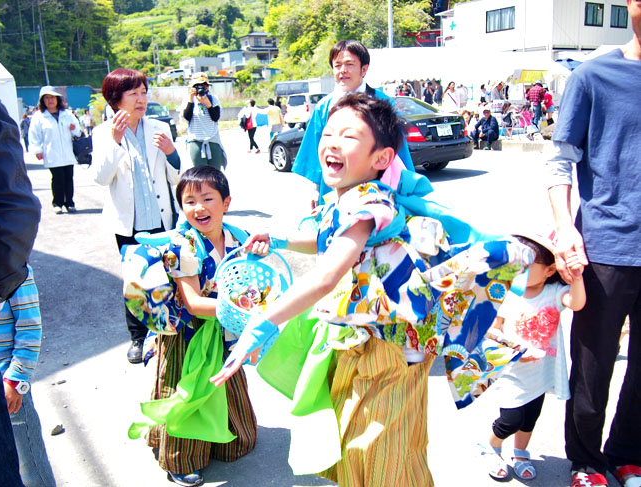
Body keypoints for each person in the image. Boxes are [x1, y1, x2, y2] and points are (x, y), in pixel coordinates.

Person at [210, 93, 533, 487]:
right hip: (362, 341)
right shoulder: (345, 199)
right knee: (367, 444)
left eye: (349, 136)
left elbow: (328, 273)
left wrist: (263, 322)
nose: (331, 142)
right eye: (328, 133)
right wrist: (279, 241)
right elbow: (332, 242)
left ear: (381, 159)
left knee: (381, 453)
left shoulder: (369, 199)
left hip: (390, 350)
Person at [547, 3, 641, 485]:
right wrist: (565, 227)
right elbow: (560, 160)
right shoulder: (593, 76)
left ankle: (628, 452)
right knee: (593, 365)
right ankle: (586, 461)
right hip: (606, 246)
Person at [124, 166, 257, 486]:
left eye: (207, 198)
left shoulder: (238, 237)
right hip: (189, 335)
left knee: (226, 387)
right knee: (187, 393)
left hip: (225, 328)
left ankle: (223, 439)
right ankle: (180, 459)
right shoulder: (184, 246)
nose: (198, 207)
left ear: (226, 203)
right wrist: (249, 313)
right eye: (189, 201)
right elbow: (194, 303)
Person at [91, 68, 181, 364]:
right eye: (134, 94)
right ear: (116, 98)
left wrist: (171, 154)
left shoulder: (159, 127)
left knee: (169, 274)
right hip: (127, 223)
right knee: (136, 280)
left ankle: (170, 331)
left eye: (144, 92)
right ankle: (138, 338)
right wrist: (116, 143)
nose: (141, 99)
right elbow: (101, 178)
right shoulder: (103, 133)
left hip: (161, 217)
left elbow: (177, 176)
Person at [481, 233, 585, 481]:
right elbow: (493, 331)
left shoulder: (554, 293)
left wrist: (577, 277)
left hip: (541, 372)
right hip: (512, 372)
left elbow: (577, 303)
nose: (518, 270)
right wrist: (513, 351)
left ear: (550, 270)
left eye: (527, 265)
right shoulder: (508, 294)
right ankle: (492, 446)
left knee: (529, 418)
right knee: (511, 419)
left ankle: (520, 452)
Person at [291, 39, 415, 208]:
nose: (343, 70)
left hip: (375, 186)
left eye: (349, 64)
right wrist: (315, 188)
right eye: (337, 65)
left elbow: (398, 152)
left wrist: (407, 190)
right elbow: (316, 150)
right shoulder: (323, 107)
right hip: (334, 185)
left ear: (364, 69)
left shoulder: (382, 102)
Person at [0, 83, 41, 487]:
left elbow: (30, 328)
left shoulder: (15, 273)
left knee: (27, 453)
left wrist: (15, 379)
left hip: (10, 381)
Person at [0, 266, 57, 487]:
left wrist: (16, 379)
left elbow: (30, 326)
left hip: (7, 386)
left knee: (30, 465)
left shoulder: (12, 267)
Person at [28, 86, 82, 214]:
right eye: (47, 98)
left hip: (67, 153)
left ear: (58, 99)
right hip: (52, 153)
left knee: (69, 178)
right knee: (57, 179)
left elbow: (78, 132)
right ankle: (57, 203)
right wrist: (37, 150)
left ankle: (70, 203)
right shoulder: (39, 117)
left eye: (52, 97)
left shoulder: (67, 114)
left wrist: (74, 128)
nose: (50, 100)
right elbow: (34, 135)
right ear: (42, 101)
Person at [182, 72, 226, 169]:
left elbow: (215, 117)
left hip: (213, 139)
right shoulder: (188, 99)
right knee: (200, 175)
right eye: (198, 86)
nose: (202, 88)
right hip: (196, 140)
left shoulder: (213, 99)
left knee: (214, 174)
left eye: (204, 85)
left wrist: (208, 104)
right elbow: (187, 117)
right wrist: (190, 100)